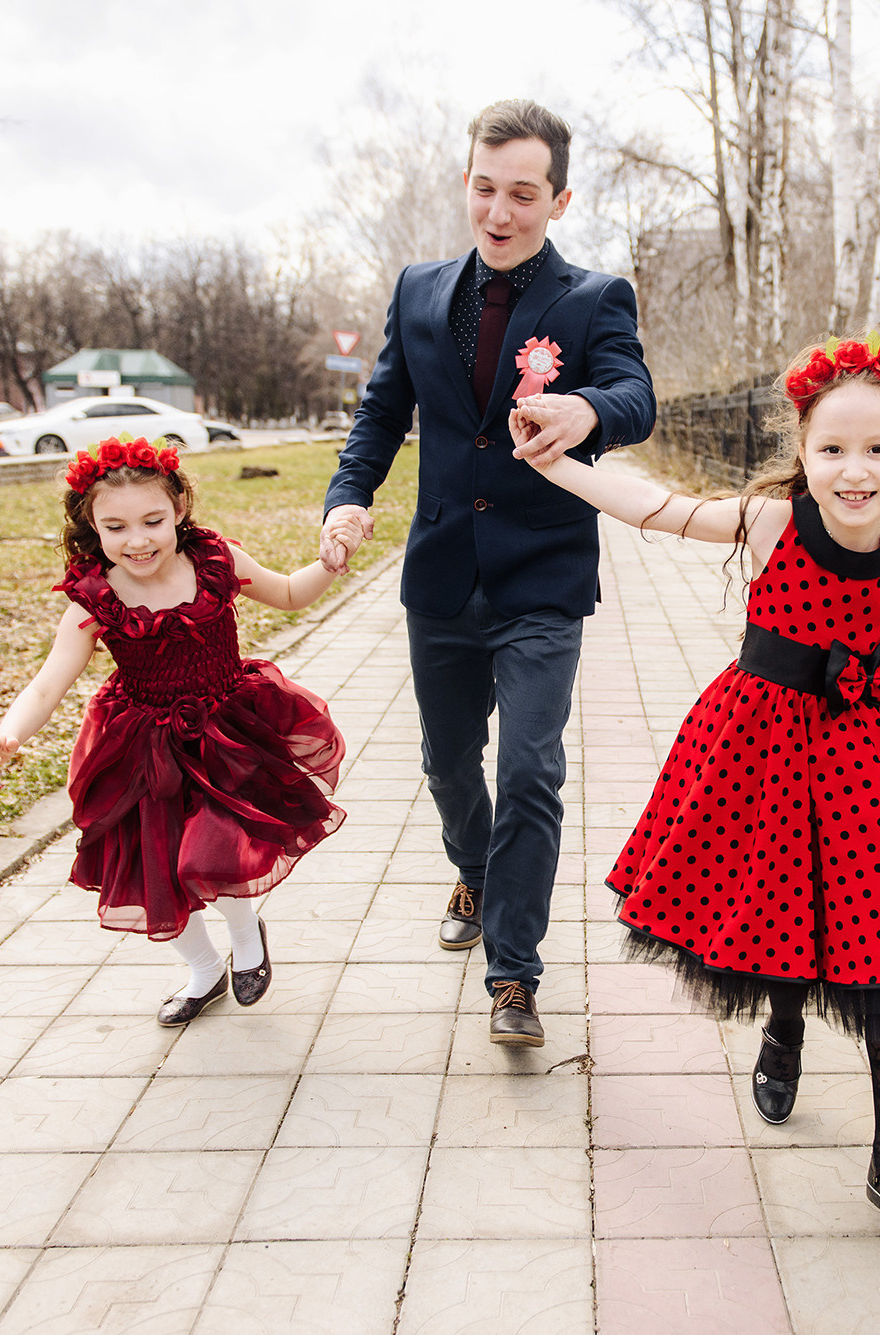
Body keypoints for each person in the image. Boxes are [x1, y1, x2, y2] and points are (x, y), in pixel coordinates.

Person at [516, 334, 880, 1235]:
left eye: (879, 449)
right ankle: (784, 1026)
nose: (855, 470)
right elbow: (654, 506)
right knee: (781, 904)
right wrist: (561, 463)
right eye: (833, 449)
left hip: (872, 755)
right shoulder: (773, 522)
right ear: (803, 452)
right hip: (760, 746)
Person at [318, 98, 655, 1048]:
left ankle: (515, 971)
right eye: (483, 189)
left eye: (520, 194)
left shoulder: (593, 298)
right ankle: (471, 865)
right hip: (440, 576)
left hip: (543, 573)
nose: (498, 212)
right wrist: (350, 496)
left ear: (557, 198)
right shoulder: (421, 290)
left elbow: (636, 395)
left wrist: (586, 410)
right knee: (446, 761)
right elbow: (383, 412)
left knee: (533, 771)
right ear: (466, 182)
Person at [0, 434, 347, 1025]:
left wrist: (328, 563)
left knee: (218, 850)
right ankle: (202, 970)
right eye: (116, 528)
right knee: (153, 866)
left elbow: (292, 594)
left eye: (153, 521)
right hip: (142, 746)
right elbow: (47, 685)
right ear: (93, 527)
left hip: (227, 732)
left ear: (179, 511)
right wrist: (6, 734)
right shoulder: (95, 600)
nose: (138, 540)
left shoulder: (215, 561)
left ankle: (247, 939)